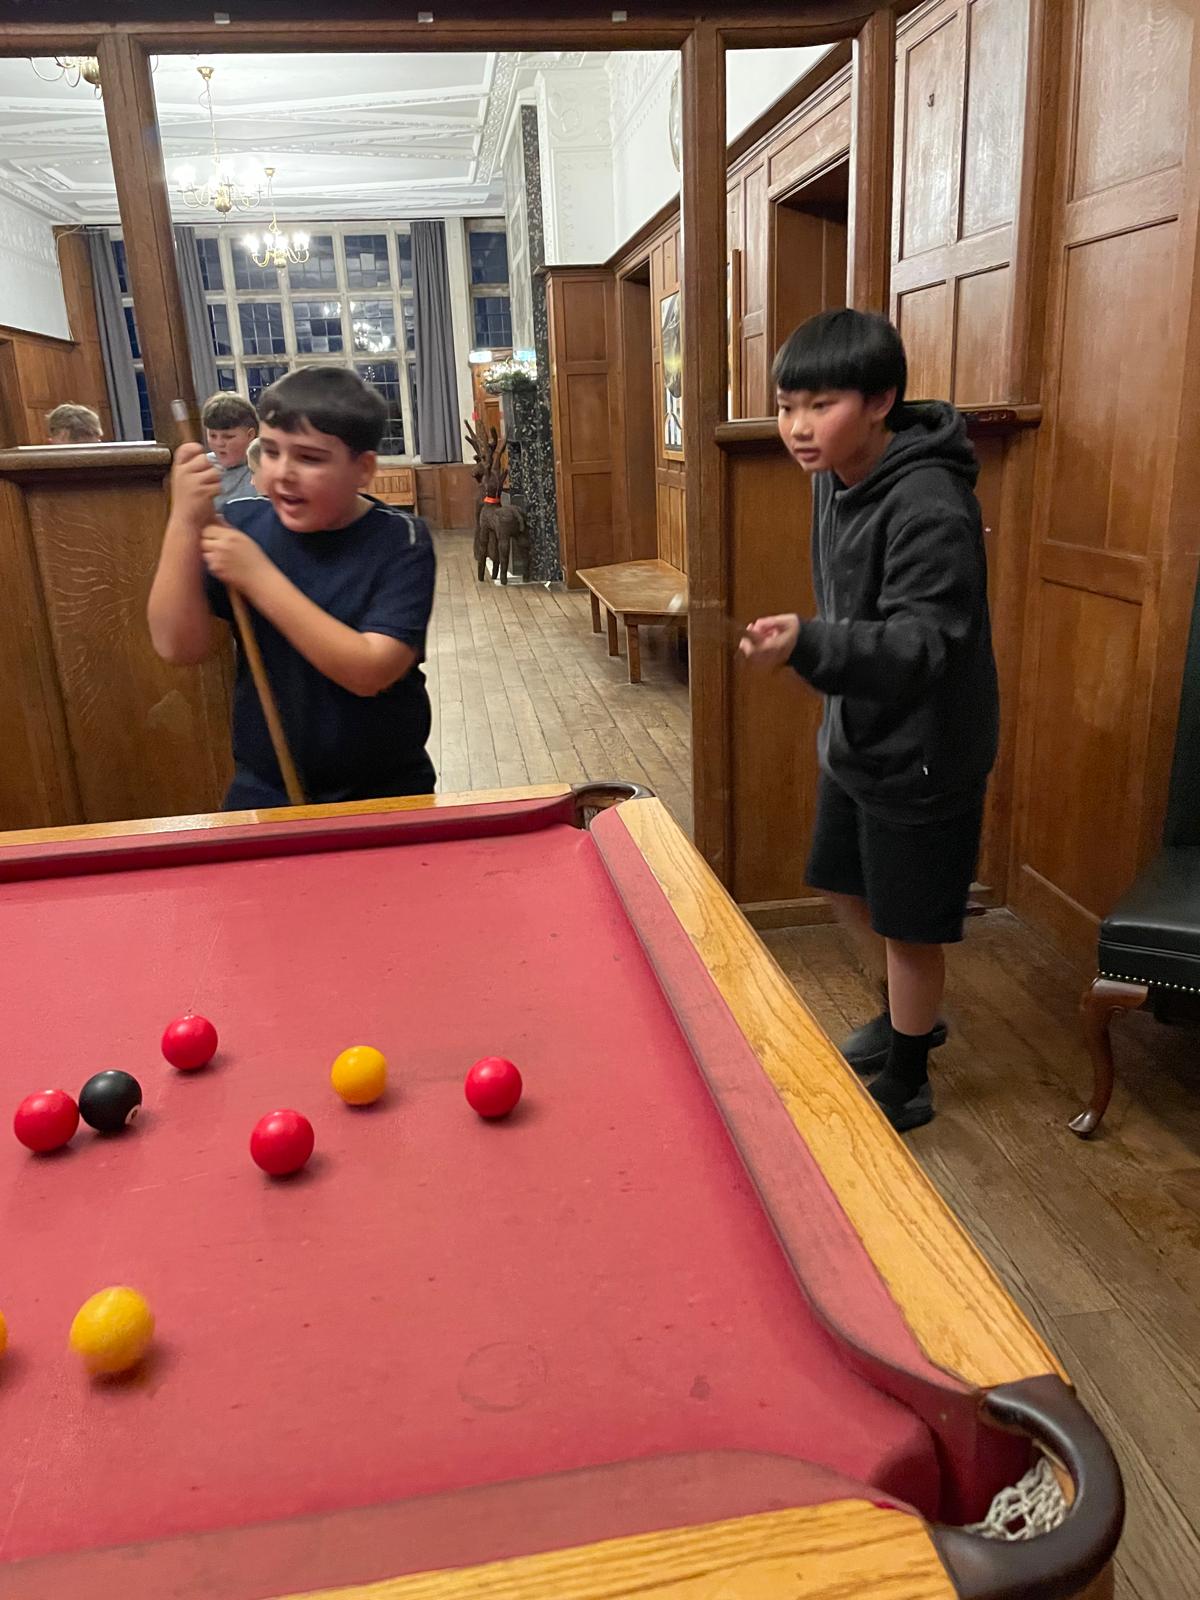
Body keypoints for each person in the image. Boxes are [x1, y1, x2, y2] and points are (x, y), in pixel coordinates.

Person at [739, 309, 998, 1133]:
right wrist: (821, 654)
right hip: (860, 734)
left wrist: (811, 643)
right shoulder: (836, 474)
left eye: (821, 405)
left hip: (926, 752)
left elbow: (924, 648)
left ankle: (909, 1078)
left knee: (909, 928)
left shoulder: (931, 506)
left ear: (881, 400)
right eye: (787, 406)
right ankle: (905, 1016)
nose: (797, 427)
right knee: (840, 881)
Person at [148, 365, 437, 810]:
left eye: (310, 458)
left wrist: (258, 577)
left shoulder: (401, 540)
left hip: (385, 789)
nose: (283, 472)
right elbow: (177, 646)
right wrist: (184, 520)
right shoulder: (241, 524)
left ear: (363, 469)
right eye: (271, 451)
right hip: (265, 788)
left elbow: (370, 671)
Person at [201, 392, 262, 508]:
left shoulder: (265, 468)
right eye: (213, 436)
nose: (219, 443)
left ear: (250, 435)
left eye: (228, 437)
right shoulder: (202, 468)